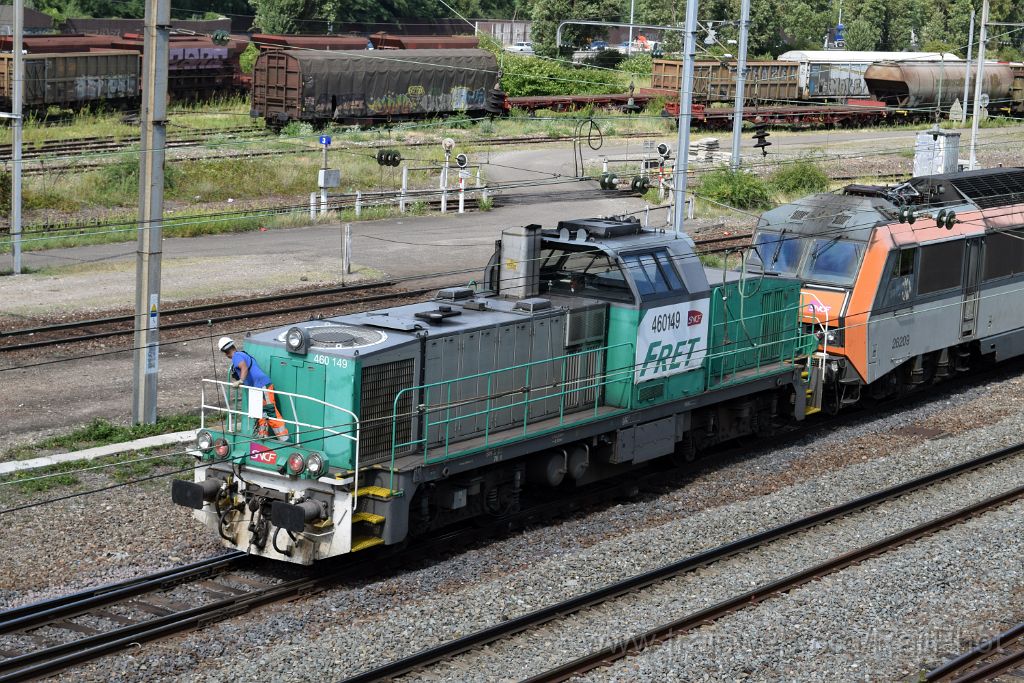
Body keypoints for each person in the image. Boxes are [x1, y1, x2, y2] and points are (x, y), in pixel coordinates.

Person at [218, 337, 289, 442]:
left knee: (270, 411)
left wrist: (240, 381)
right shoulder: (242, 355)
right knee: (259, 413)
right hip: (256, 388)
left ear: (226, 352)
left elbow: (244, 367)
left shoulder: (236, 356)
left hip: (261, 386)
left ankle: (284, 440)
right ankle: (262, 437)